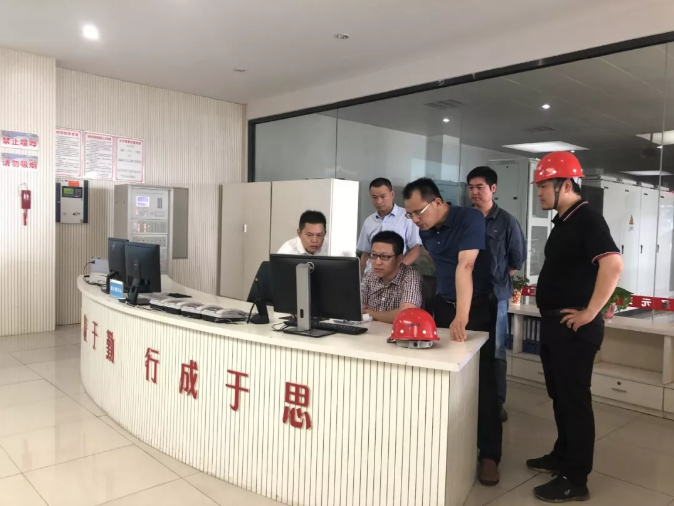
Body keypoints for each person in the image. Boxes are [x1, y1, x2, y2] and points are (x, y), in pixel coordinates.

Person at [526, 152, 622, 503]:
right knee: (560, 397)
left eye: (543, 186)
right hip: (556, 325)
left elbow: (613, 264)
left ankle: (575, 479)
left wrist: (591, 312)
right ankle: (562, 455)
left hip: (574, 329)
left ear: (565, 185)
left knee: (574, 401)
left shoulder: (587, 219)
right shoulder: (565, 221)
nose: (539, 193)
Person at [403, 177, 502, 486]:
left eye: (418, 212)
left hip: (476, 309)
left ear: (437, 202)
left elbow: (465, 266)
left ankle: (489, 455)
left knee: (482, 380)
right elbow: (438, 261)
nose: (415, 220)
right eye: (410, 214)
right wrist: (450, 309)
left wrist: (462, 315)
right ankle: (449, 444)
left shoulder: (469, 218)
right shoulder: (425, 229)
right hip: (444, 306)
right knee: (445, 377)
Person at [467, 166, 527, 422]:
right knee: (467, 348)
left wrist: (496, 277)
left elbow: (516, 260)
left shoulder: (507, 221)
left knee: (497, 350)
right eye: (470, 187)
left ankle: (497, 401)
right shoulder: (465, 218)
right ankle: (470, 399)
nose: (474, 192)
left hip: (496, 296)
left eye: (479, 187)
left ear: (493, 188)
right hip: (467, 295)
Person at [357, 177, 422, 276]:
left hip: (397, 276)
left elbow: (415, 250)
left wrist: (397, 271)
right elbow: (365, 254)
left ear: (392, 194)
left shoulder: (407, 217)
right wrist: (361, 279)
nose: (379, 201)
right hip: (372, 276)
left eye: (383, 196)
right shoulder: (369, 221)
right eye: (374, 197)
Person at [361, 231, 423, 323]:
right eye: (374, 255)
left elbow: (407, 314)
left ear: (399, 259)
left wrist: (371, 313)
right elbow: (358, 306)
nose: (377, 262)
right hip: (372, 329)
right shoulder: (371, 274)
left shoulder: (410, 275)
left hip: (400, 331)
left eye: (384, 256)